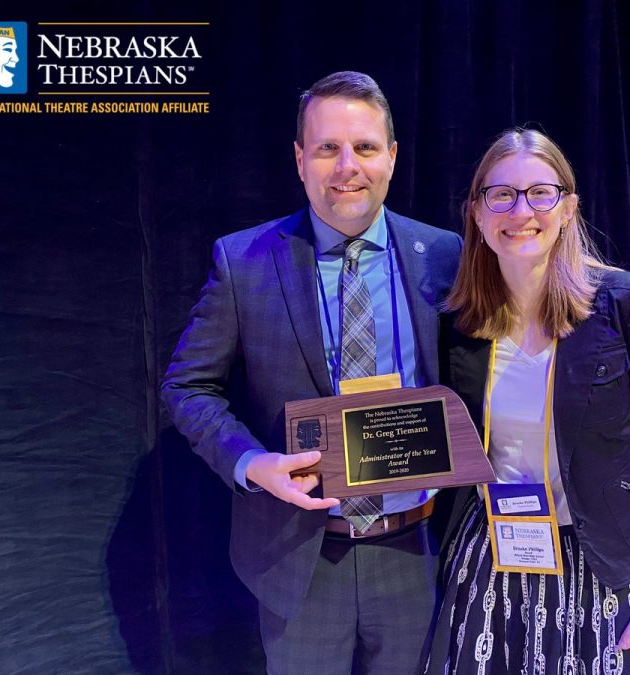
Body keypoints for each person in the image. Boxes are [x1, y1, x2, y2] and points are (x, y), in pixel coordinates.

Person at [160, 71, 462, 674]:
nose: (347, 165)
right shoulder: (244, 261)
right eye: (327, 148)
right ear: (301, 160)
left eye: (365, 147)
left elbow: (508, 351)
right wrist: (251, 464)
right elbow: (187, 386)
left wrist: (617, 373)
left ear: (392, 158)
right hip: (299, 555)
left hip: (416, 550)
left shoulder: (446, 254)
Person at [423, 129, 630, 675]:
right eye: (500, 194)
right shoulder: (459, 325)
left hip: (604, 560)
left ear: (568, 207)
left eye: (540, 193)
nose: (521, 210)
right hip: (492, 555)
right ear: (478, 215)